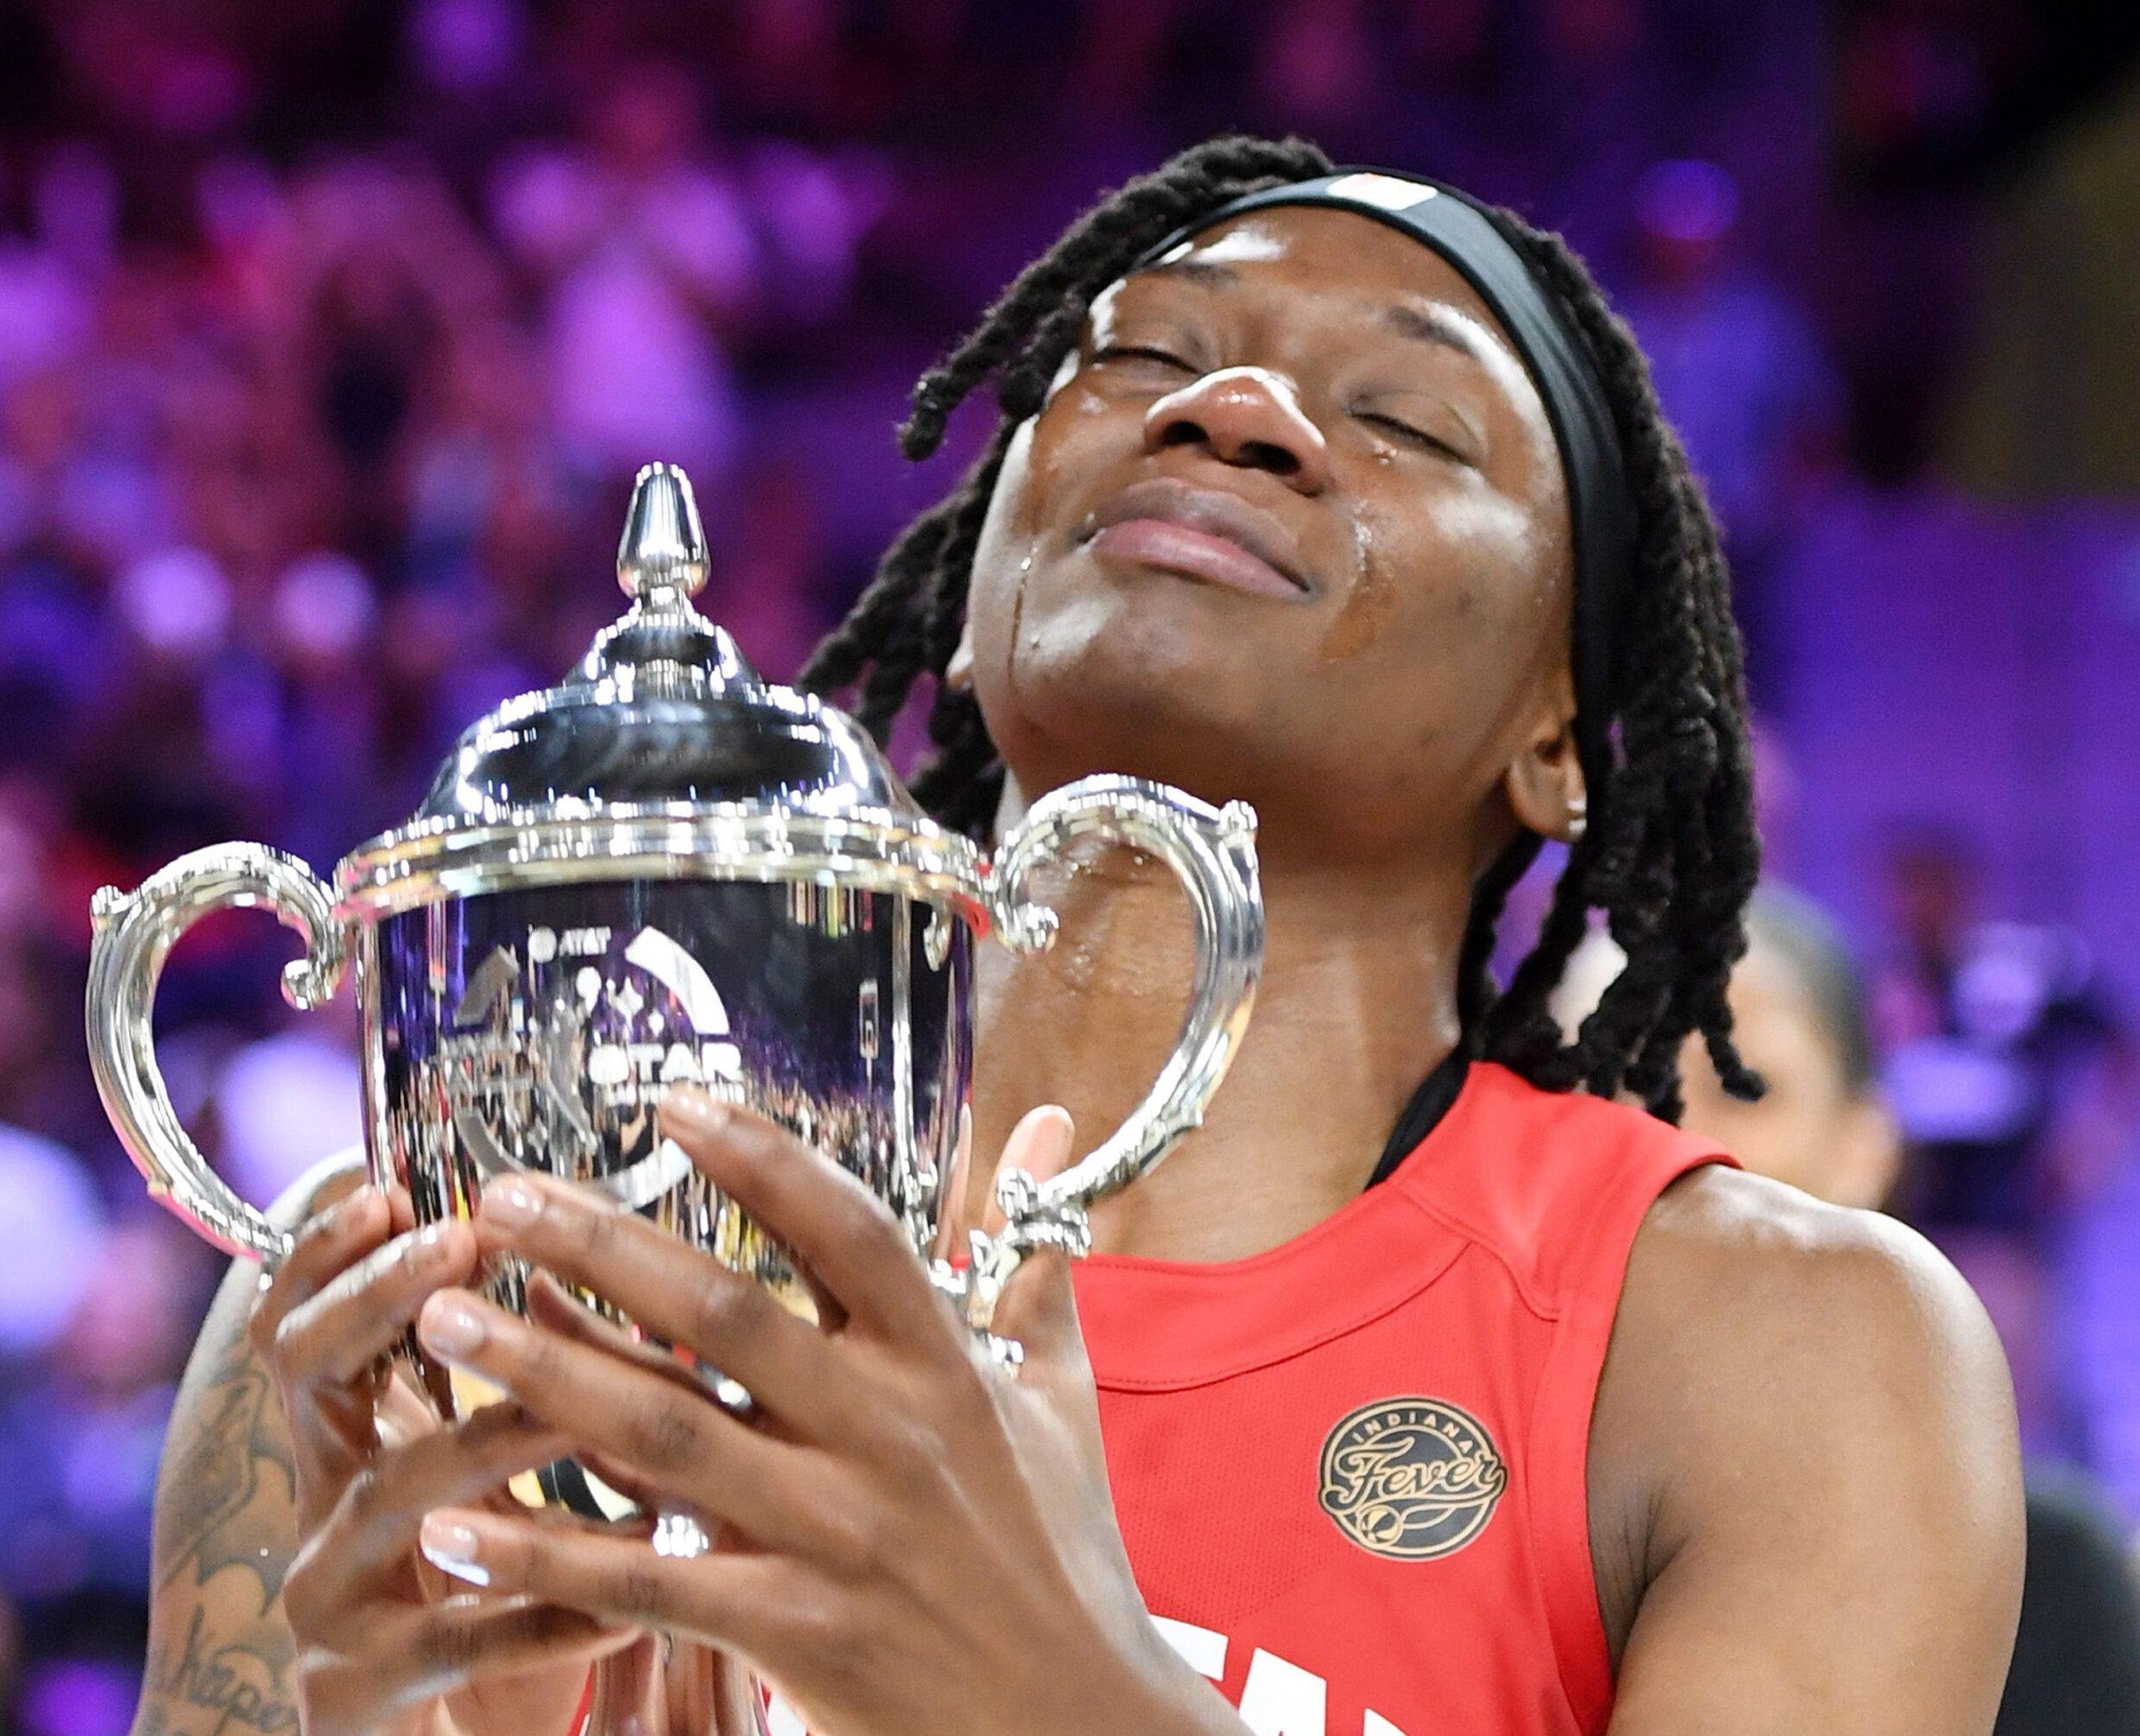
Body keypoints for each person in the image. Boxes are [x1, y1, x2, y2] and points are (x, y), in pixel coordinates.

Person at [131, 135, 2022, 1736]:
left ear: (1561, 739)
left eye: (1402, 417)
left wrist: (1053, 1691)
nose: (1230, 410)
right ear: (970, 607)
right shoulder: (431, 1276)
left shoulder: (1777, 1355)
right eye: (1137, 360)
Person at [1667, 887, 2140, 1736]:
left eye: (1743, 1085)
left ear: (1863, 1143)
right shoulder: (1440, 1522)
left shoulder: (2047, 1581)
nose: (1664, 1136)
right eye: (1600, 1084)